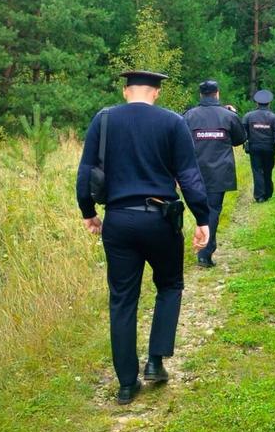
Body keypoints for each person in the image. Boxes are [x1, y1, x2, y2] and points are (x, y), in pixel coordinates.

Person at [76, 70, 210, 405]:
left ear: (126, 91)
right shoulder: (173, 122)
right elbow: (189, 175)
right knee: (169, 285)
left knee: (122, 298)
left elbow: (85, 172)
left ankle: (126, 384)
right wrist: (202, 218)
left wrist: (88, 212)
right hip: (161, 219)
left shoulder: (104, 120)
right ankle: (155, 361)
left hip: (118, 220)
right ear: (156, 93)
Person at [182, 79, 247, 268]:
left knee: (201, 209)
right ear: (217, 93)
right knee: (213, 209)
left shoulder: (188, 116)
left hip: (194, 172)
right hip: (219, 172)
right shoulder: (228, 115)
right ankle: (205, 252)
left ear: (200, 94)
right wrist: (235, 114)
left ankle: (202, 246)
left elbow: (180, 141)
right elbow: (240, 139)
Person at [242, 89, 275, 202]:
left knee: (257, 170)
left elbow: (243, 132)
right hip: (269, 148)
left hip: (254, 147)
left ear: (257, 103)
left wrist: (247, 142)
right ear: (269, 103)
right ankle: (268, 193)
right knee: (268, 170)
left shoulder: (248, 116)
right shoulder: (274, 117)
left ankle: (259, 195)